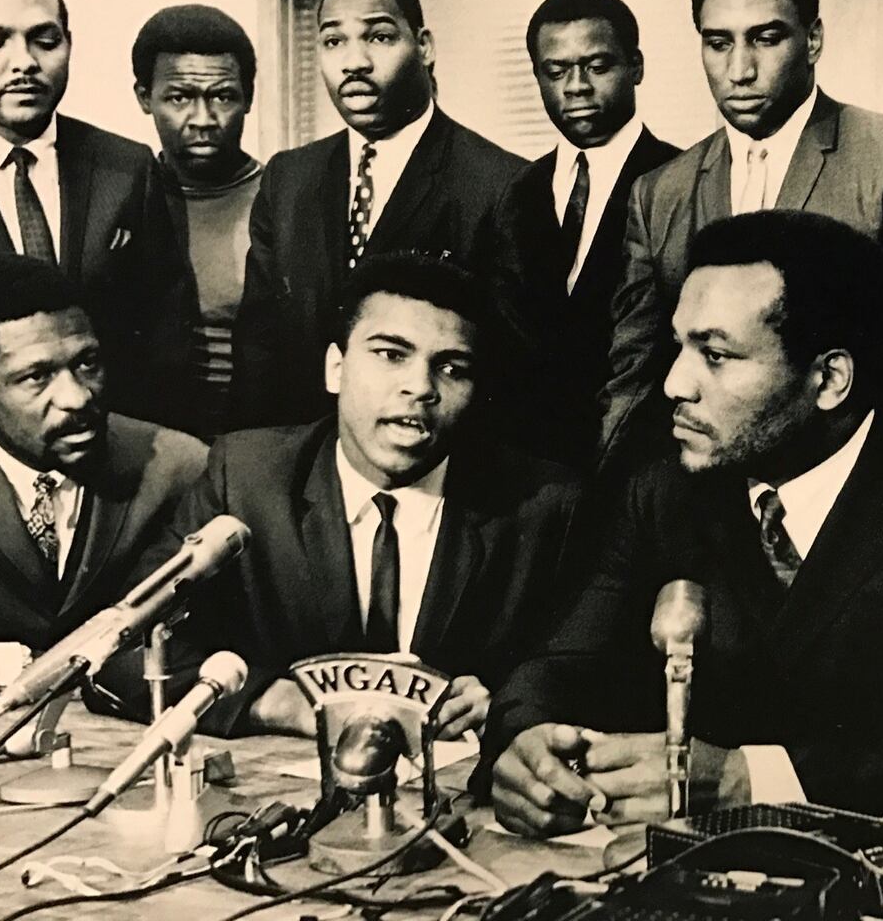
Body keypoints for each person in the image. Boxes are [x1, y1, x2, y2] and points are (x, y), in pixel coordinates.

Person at [481, 211, 883, 832]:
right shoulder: (664, 490)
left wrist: (757, 778)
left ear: (828, 379)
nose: (672, 384)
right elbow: (560, 664)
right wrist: (527, 744)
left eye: (714, 355)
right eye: (679, 346)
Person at [601, 0, 883, 463]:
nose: (740, 70)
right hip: (709, 505)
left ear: (812, 39)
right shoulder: (659, 192)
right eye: (718, 43)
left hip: (860, 499)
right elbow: (632, 380)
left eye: (765, 39)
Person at [171, 253, 582, 739]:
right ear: (335, 368)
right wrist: (281, 703)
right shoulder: (245, 478)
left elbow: (586, 677)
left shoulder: (544, 506)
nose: (420, 388)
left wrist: (506, 706)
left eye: (451, 368)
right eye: (390, 354)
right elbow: (133, 650)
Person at [232, 0, 527, 428]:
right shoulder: (288, 177)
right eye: (334, 41)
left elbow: (511, 372)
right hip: (302, 468)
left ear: (424, 47)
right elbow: (258, 349)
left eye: (380, 38)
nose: (354, 62)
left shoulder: (501, 182)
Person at [0, 255, 207, 709]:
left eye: (87, 363)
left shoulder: (176, 467)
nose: (77, 397)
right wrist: (17, 668)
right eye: (37, 377)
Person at [0, 0, 192, 425]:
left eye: (45, 41)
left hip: (102, 458)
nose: (24, 62)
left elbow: (165, 345)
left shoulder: (126, 166)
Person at [496, 0, 678, 466]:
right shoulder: (515, 193)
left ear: (636, 67)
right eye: (555, 71)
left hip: (646, 467)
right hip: (530, 475)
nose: (575, 86)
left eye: (598, 67)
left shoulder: (680, 180)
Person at [134, 4, 265, 436]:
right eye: (179, 98)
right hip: (146, 443)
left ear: (248, 96)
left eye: (223, 96)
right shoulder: (122, 198)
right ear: (144, 97)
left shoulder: (284, 199)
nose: (203, 120)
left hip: (258, 439)